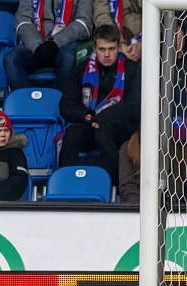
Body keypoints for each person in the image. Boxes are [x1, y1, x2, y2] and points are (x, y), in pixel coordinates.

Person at [59, 24, 141, 185]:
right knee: (72, 134)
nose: (107, 54)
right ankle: (64, 184)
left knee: (104, 133)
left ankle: (109, 186)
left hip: (120, 126)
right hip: (89, 121)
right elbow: (66, 104)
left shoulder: (132, 69)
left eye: (111, 49)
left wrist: (102, 117)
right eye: (102, 49)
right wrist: (85, 115)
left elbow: (134, 106)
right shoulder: (82, 69)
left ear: (119, 47)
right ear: (95, 48)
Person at [5, 0, 94, 91]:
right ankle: (24, 102)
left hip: (66, 44)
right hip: (37, 44)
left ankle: (60, 102)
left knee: (69, 57)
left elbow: (84, 23)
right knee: (12, 58)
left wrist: (56, 42)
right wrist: (36, 45)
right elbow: (23, 20)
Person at [117, 130, 139, 203]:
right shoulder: (128, 147)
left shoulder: (172, 147)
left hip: (169, 206)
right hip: (136, 206)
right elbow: (126, 184)